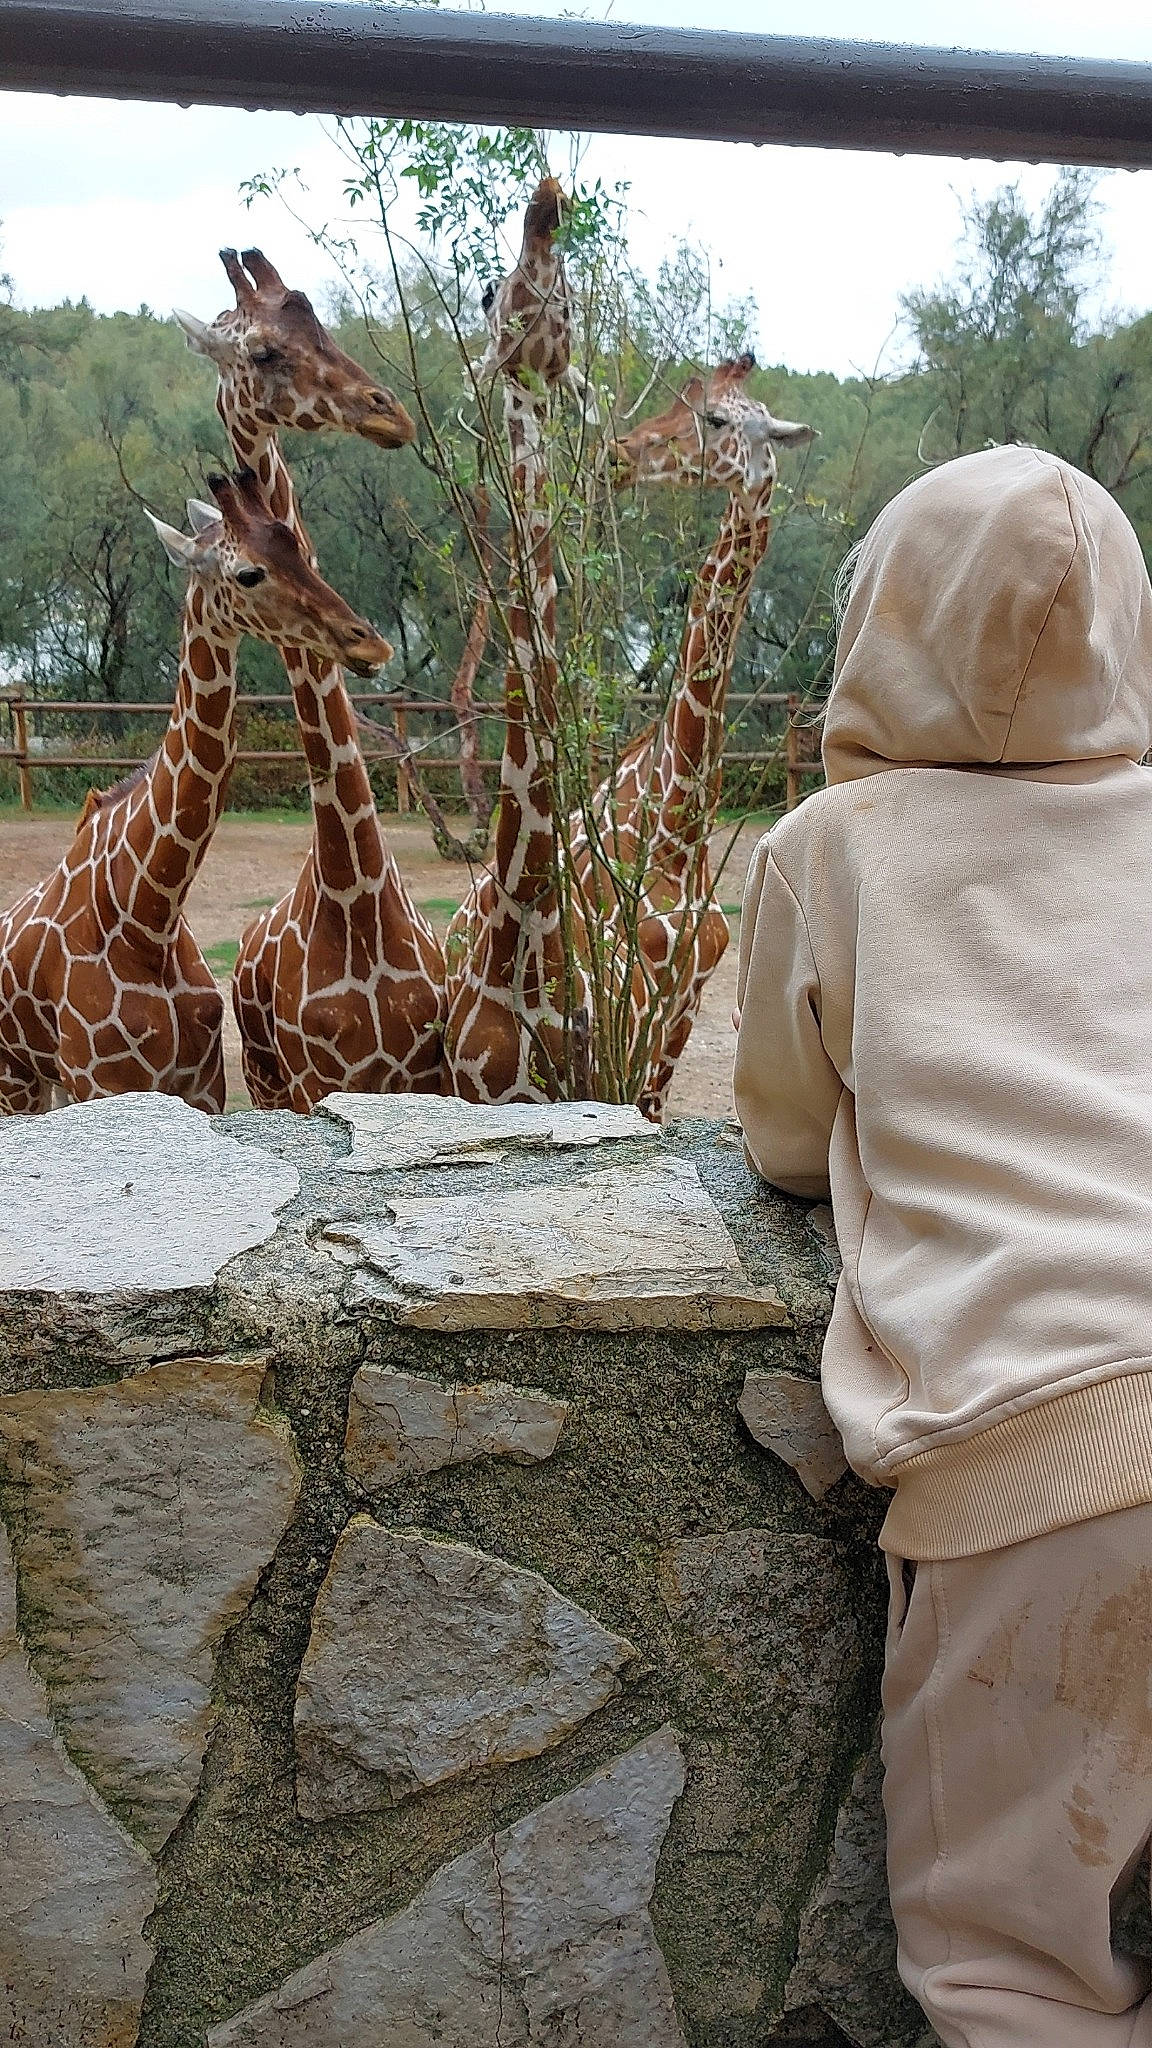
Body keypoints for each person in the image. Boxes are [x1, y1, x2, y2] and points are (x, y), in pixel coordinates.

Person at [733, 443, 1152, 2047]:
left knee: (1016, 1976)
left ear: (887, 621)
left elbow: (783, 1142)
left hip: (1045, 1456)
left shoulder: (833, 848)